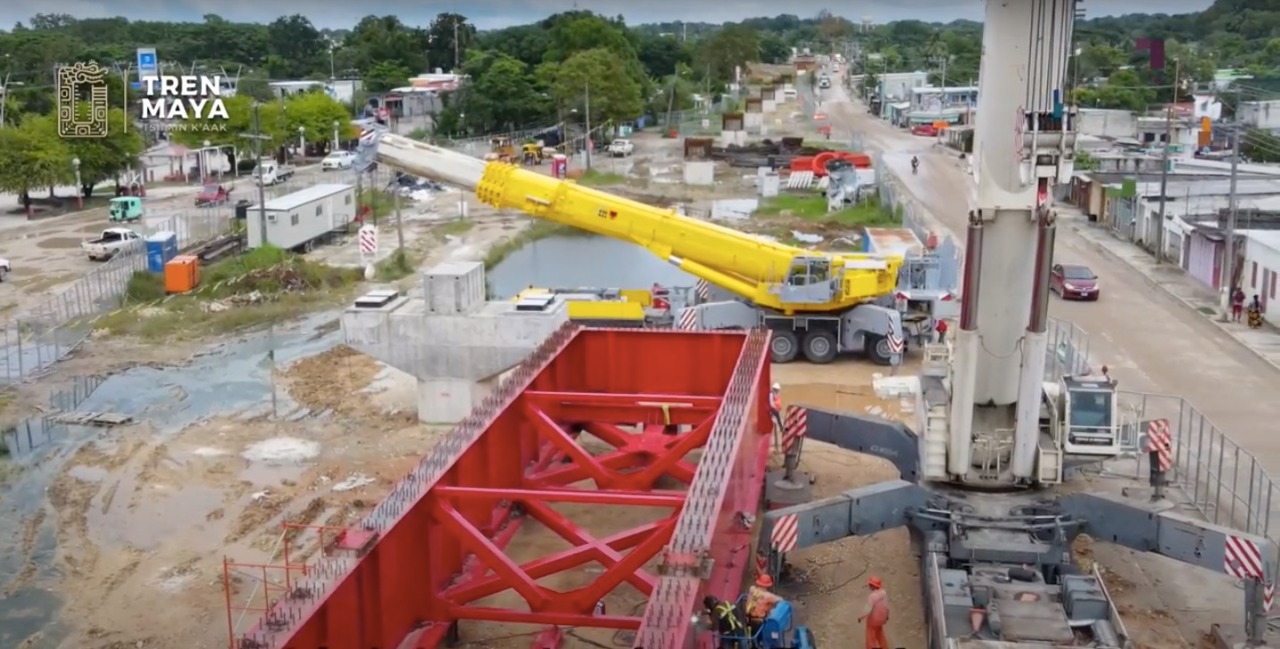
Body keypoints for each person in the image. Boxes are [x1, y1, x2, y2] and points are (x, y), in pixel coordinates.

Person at [858, 576, 891, 649]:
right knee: (880, 633)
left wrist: (861, 617)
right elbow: (886, 606)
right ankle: (884, 646)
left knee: (870, 635)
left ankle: (871, 647)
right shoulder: (884, 593)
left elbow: (868, 609)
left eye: (870, 585)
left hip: (873, 620)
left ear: (873, 586)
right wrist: (886, 616)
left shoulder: (872, 596)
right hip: (882, 619)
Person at [769, 383, 784, 450]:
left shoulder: (775, 394)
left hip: (775, 409)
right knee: (777, 419)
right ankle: (780, 428)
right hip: (772, 409)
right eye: (777, 390)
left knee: (778, 419)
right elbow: (771, 403)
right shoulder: (771, 394)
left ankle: (781, 428)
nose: (778, 391)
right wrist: (775, 408)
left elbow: (777, 402)